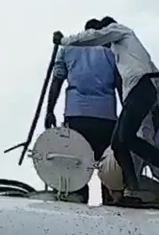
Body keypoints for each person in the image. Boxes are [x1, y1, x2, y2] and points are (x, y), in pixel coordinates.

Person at [54, 18, 159, 204]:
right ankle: (132, 188)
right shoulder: (122, 53)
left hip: (140, 89)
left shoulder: (121, 31)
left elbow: (95, 37)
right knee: (117, 142)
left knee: (127, 137)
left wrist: (64, 41)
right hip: (138, 92)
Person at [45, 18, 122, 205]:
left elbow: (56, 82)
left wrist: (49, 111)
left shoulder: (68, 50)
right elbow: (121, 87)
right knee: (107, 166)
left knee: (76, 162)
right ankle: (110, 203)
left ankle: (77, 202)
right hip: (106, 119)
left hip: (76, 117)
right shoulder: (112, 54)